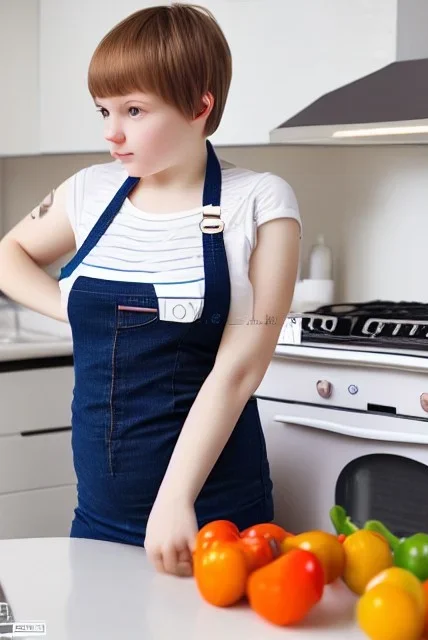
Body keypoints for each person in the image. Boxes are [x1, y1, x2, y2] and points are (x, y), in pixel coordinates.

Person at [0, 4, 301, 578]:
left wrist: (176, 498)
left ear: (199, 106)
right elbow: (8, 255)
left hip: (212, 516)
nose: (111, 131)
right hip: (98, 512)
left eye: (134, 110)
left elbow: (240, 369)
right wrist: (70, 307)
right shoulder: (88, 191)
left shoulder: (260, 202)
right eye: (105, 110)